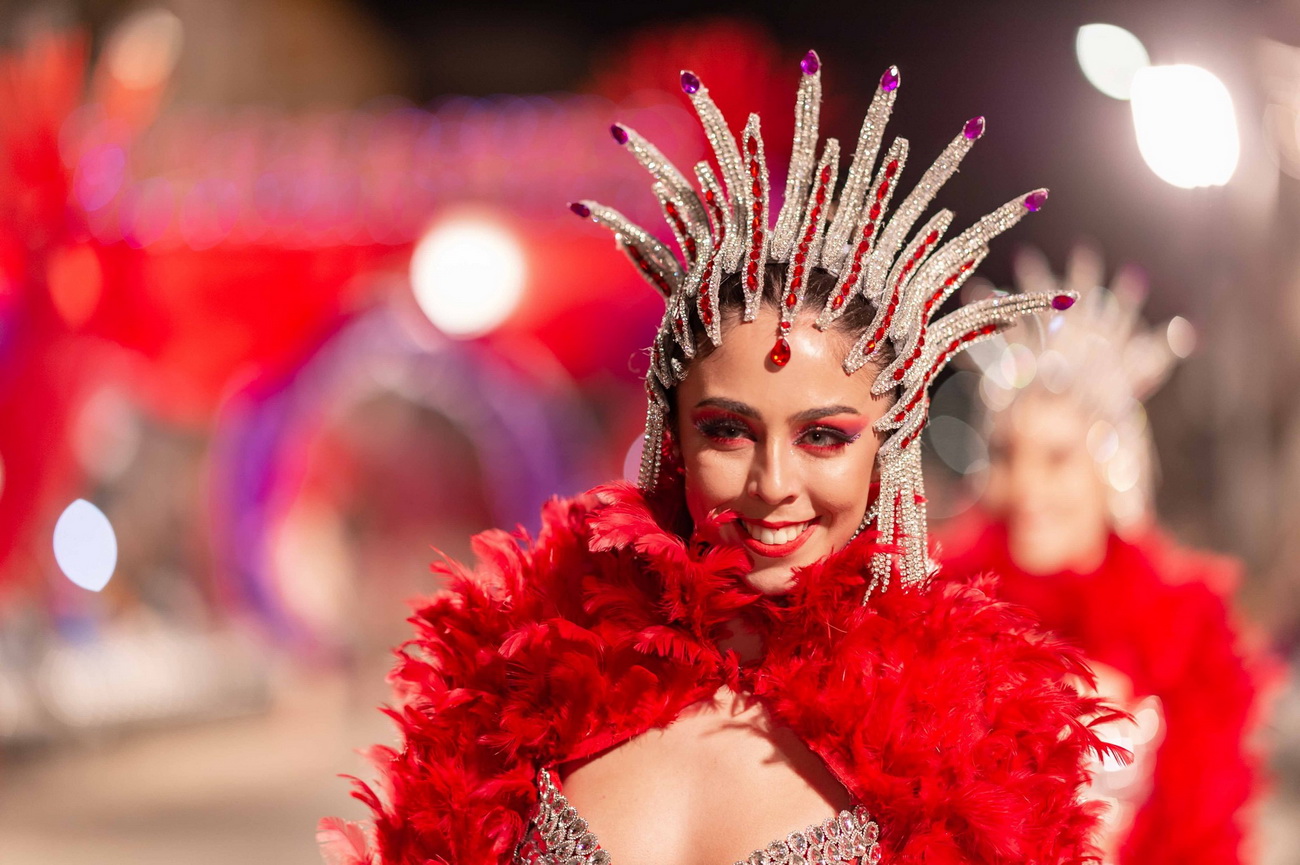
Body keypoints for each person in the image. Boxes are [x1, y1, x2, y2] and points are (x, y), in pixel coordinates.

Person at [320, 52, 1118, 865]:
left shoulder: (968, 738)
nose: (773, 484)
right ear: (672, 433)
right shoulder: (524, 675)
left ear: (891, 444)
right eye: (730, 431)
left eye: (823, 436)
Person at [938, 247, 1268, 865]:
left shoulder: (1185, 632)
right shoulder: (947, 611)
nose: (1027, 487)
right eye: (1008, 456)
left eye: (1057, 458)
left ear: (1113, 469)